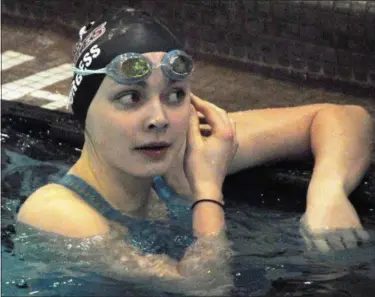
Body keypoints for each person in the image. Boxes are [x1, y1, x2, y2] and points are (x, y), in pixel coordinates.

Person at [16, 6, 373, 294]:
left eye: (174, 95)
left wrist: (328, 191)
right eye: (130, 97)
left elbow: (342, 117)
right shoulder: (55, 212)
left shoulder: (186, 150)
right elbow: (205, 286)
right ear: (84, 112)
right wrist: (206, 190)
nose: (158, 118)